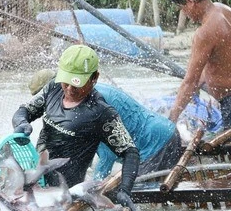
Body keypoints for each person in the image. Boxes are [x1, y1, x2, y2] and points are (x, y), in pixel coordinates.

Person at [13, 44, 140, 211]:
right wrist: (21, 123)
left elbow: (130, 152)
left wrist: (125, 190)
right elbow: (24, 110)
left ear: (94, 77)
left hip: (67, 199)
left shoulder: (102, 113)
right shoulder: (53, 88)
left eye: (77, 83)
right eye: (66, 81)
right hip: (38, 182)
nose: (70, 89)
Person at [27, 69, 183, 180]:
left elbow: (107, 154)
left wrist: (94, 186)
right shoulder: (83, 92)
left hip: (155, 144)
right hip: (164, 133)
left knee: (140, 196)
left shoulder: (89, 105)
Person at [168, 0, 231, 129]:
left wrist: (172, 118)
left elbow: (190, 81)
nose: (184, 12)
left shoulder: (204, 33)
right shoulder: (223, 10)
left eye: (182, 7)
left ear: (190, 2)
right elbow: (224, 58)